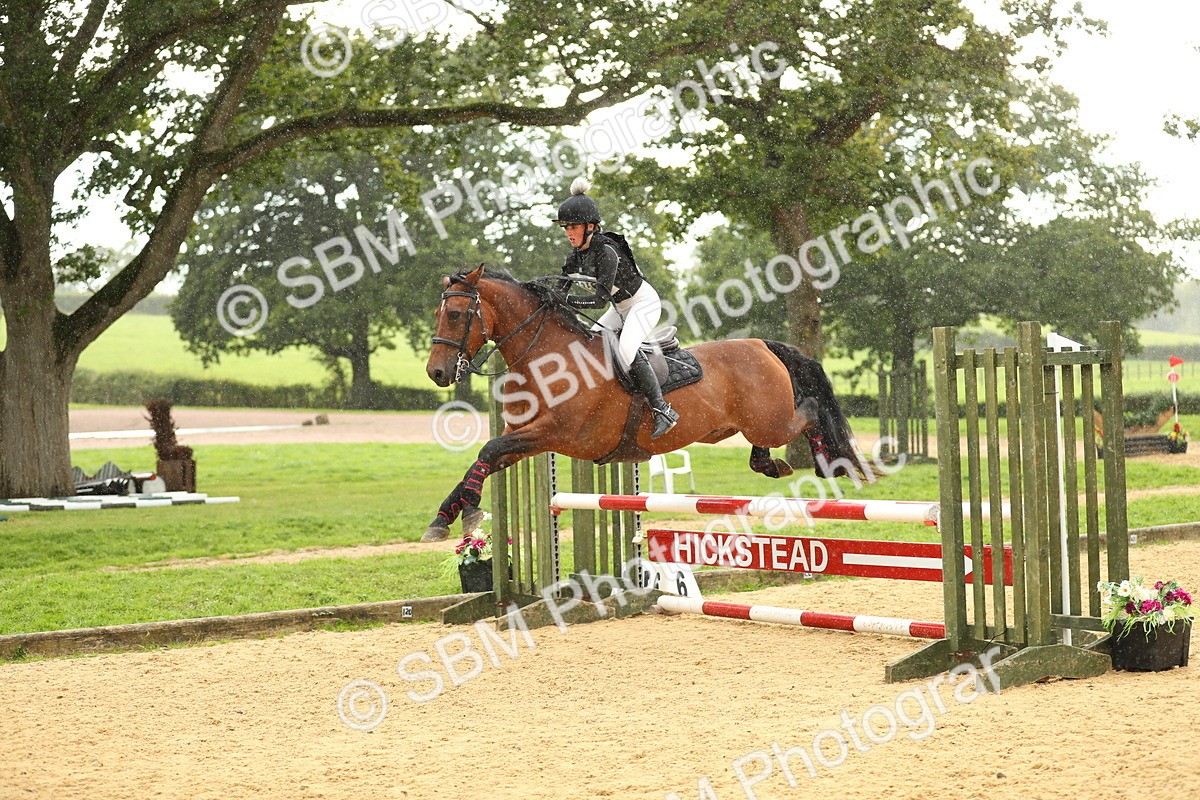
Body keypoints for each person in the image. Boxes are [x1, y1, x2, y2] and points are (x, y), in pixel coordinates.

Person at [553, 177, 679, 438]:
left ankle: (662, 409)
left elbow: (599, 300)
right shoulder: (575, 255)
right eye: (565, 227)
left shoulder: (606, 251)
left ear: (590, 227)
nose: (568, 233)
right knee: (589, 343)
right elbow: (559, 291)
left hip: (643, 304)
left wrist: (567, 302)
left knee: (625, 349)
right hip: (619, 308)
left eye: (573, 227)